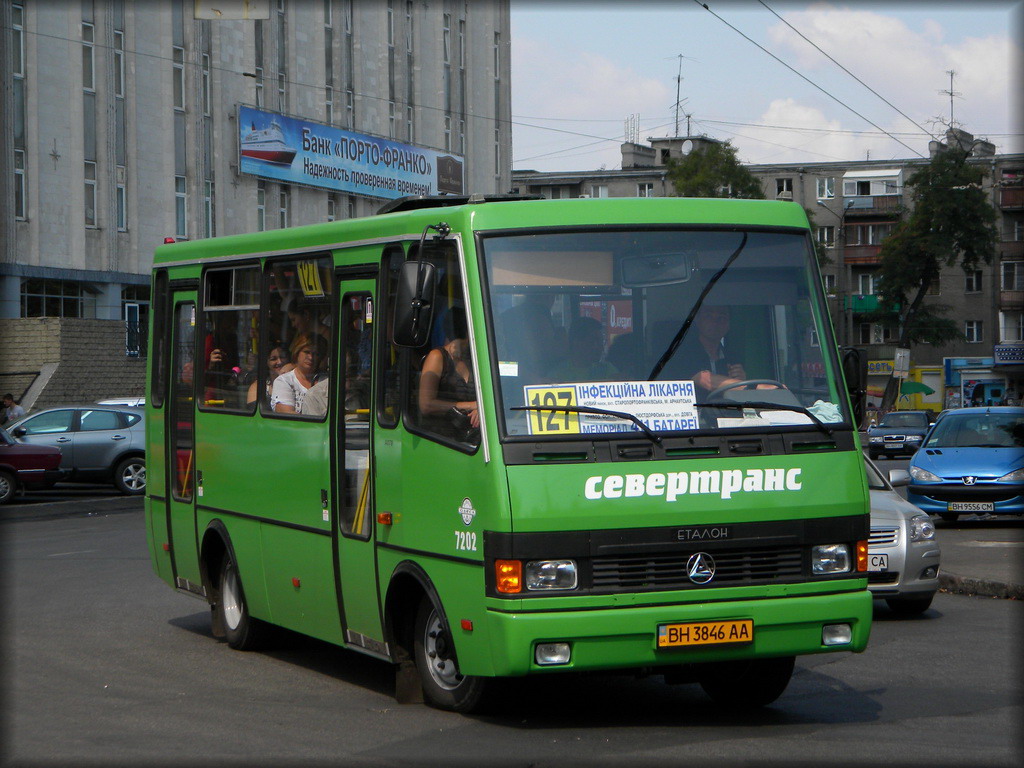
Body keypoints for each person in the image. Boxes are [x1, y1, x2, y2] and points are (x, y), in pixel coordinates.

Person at [418, 307, 479, 440]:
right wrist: (471, 405)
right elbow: (426, 405)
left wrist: (480, 410)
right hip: (441, 438)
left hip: (471, 437)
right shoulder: (437, 357)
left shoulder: (475, 359)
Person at [659, 305, 748, 394]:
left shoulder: (732, 357)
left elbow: (738, 392)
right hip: (693, 407)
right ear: (697, 321)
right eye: (708, 316)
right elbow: (707, 381)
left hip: (726, 407)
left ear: (728, 325)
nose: (715, 322)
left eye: (721, 317)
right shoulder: (683, 354)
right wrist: (745, 385)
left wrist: (741, 379)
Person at [271, 336, 328, 414]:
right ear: (297, 353)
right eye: (306, 352)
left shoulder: (327, 381)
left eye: (316, 354)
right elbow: (285, 413)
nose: (311, 357)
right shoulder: (284, 381)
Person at [552, 317, 618, 382]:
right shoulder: (557, 375)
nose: (601, 348)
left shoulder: (607, 370)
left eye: (601, 342)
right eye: (594, 341)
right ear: (577, 341)